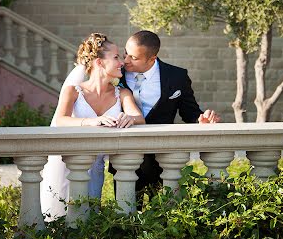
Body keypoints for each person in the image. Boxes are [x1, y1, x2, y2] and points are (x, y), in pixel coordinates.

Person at [40, 33, 144, 220]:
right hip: (68, 164)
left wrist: (130, 119)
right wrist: (90, 122)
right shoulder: (73, 90)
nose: (122, 62)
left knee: (88, 217)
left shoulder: (122, 93)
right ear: (99, 62)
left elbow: (138, 117)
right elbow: (61, 120)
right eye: (116, 57)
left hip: (95, 168)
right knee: (59, 216)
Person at [119, 30, 221, 194]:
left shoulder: (177, 76)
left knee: (163, 214)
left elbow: (190, 112)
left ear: (152, 58)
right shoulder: (117, 74)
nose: (126, 61)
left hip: (163, 161)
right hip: (126, 159)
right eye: (125, 53)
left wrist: (201, 120)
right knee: (125, 214)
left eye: (134, 58)